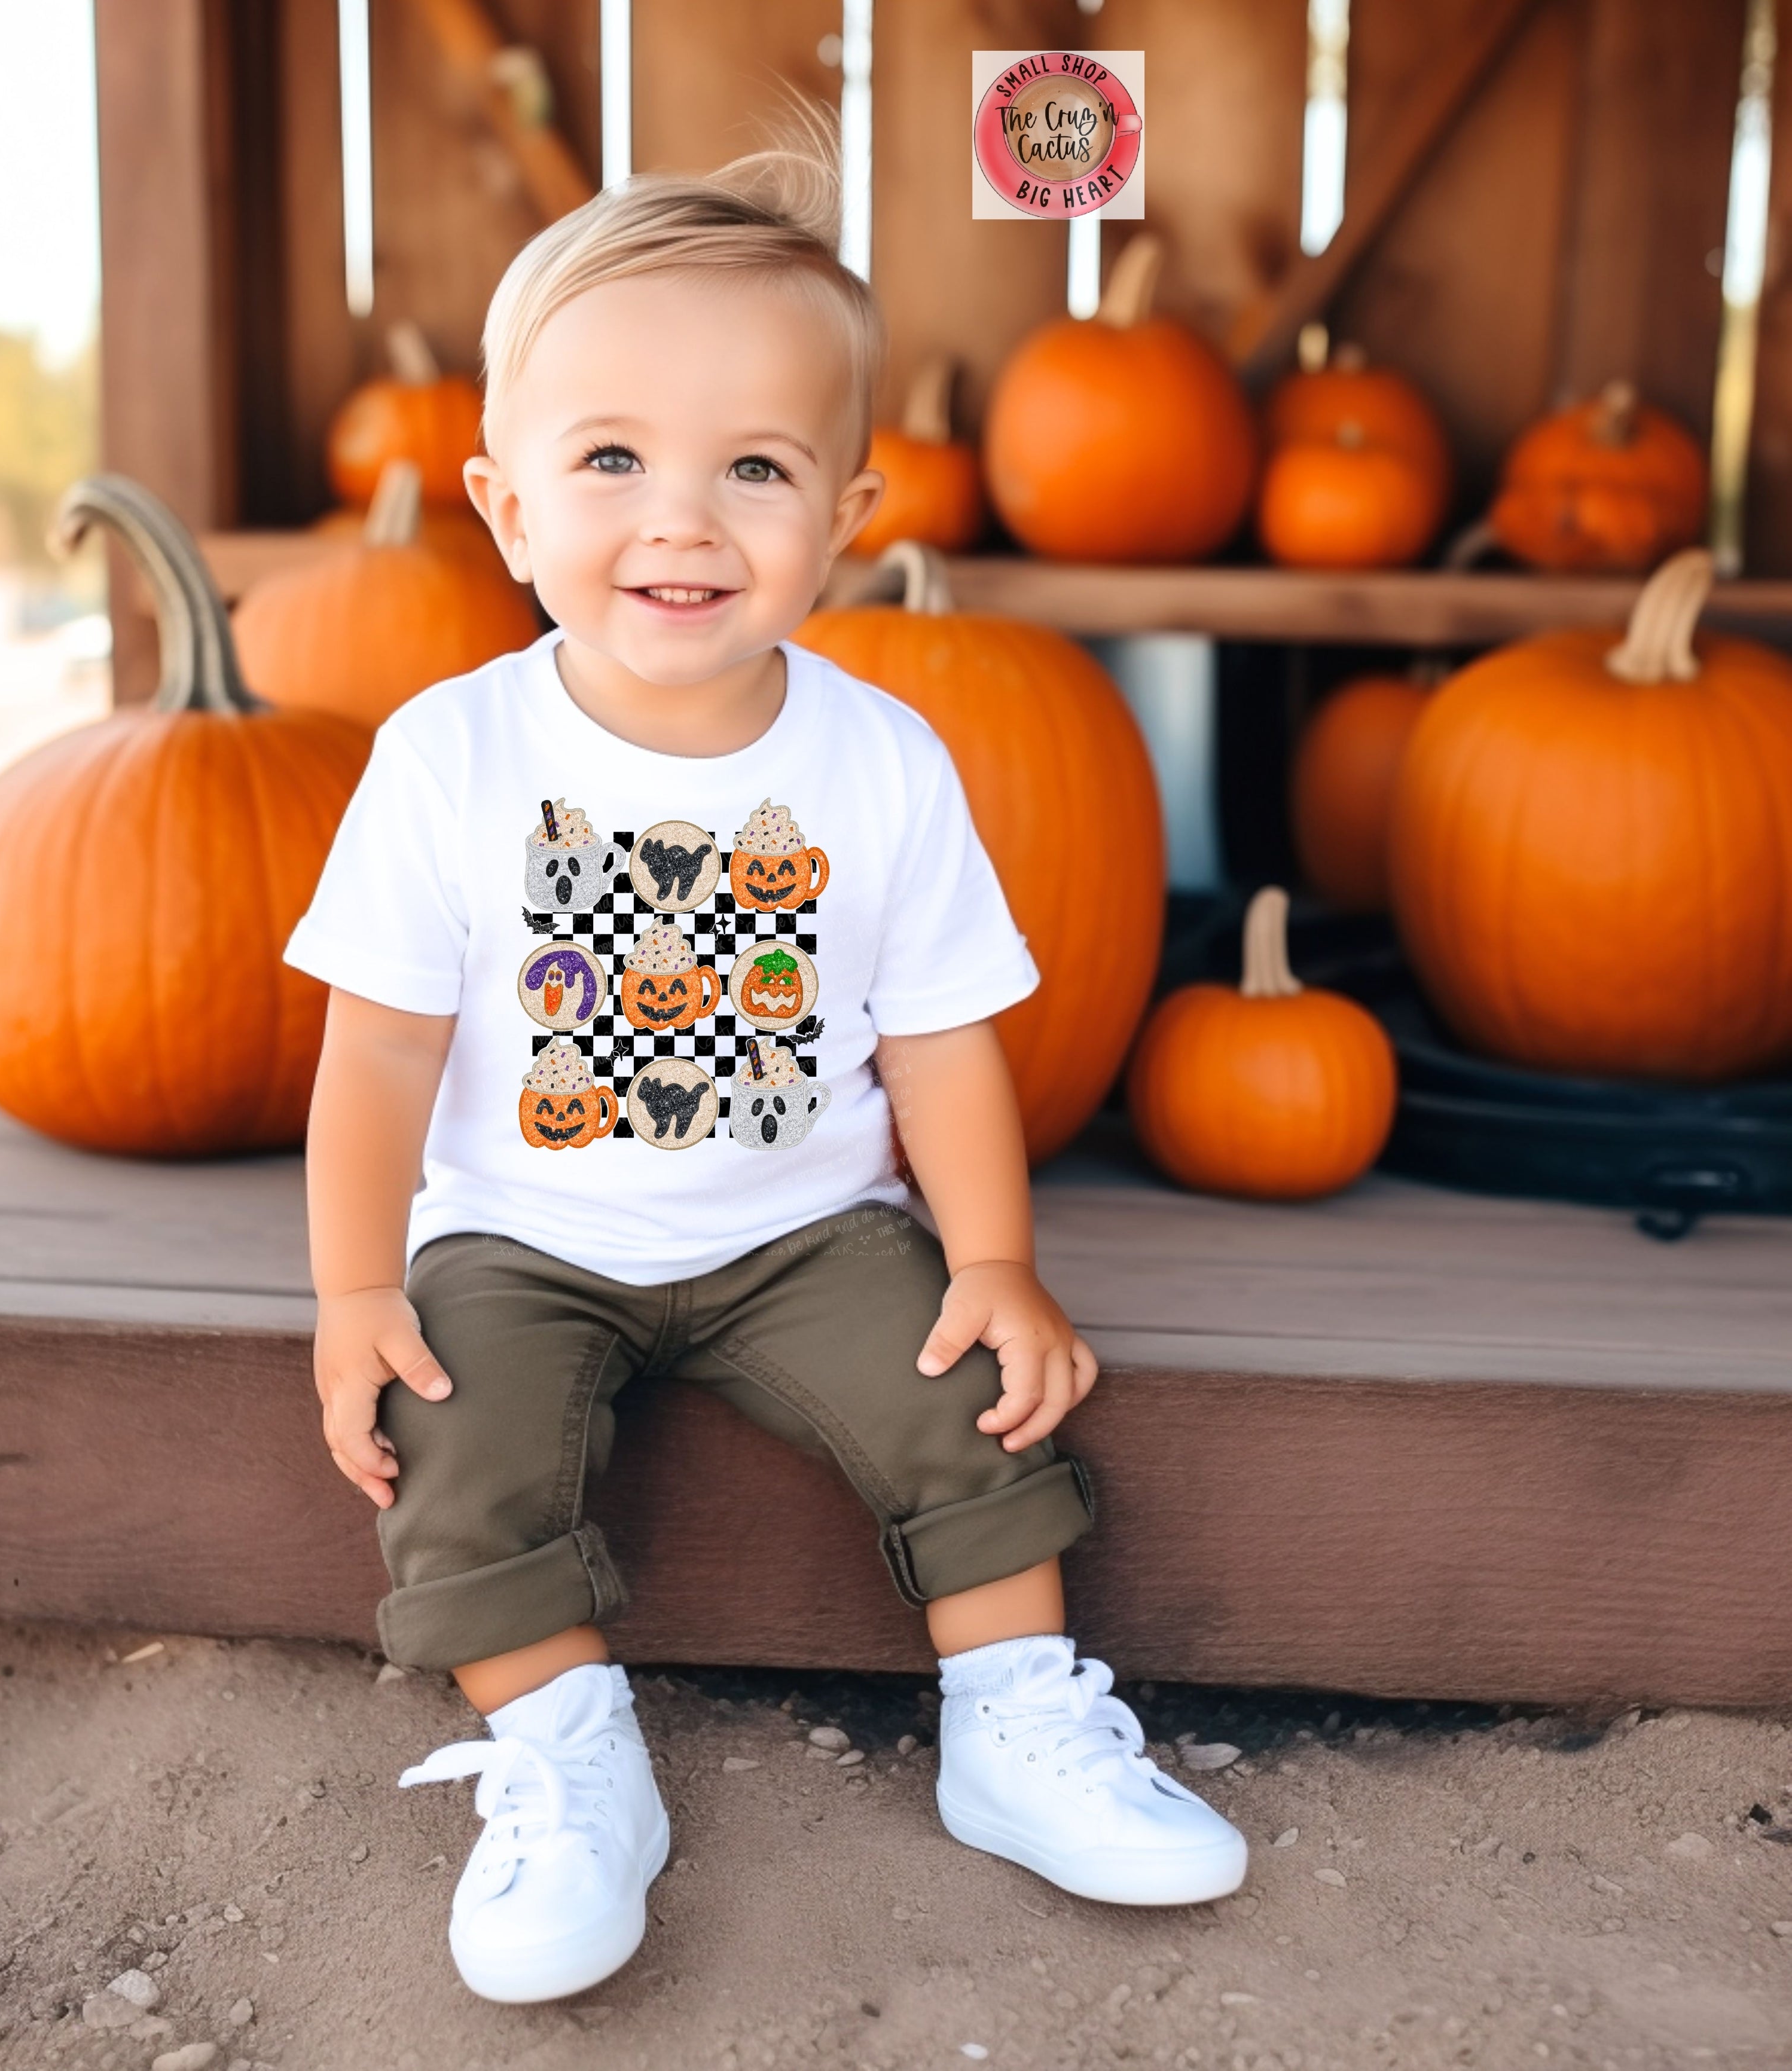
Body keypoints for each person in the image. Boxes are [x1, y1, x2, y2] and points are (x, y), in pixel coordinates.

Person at [284, 124, 1247, 2007]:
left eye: (756, 468)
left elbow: (945, 1039)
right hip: (521, 1235)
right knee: (452, 1434)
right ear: (504, 506)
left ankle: (1016, 1723)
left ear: (852, 511)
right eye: (614, 461)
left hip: (810, 1223)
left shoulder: (882, 759)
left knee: (968, 1401)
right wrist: (347, 1289)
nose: (683, 519)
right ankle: (572, 1766)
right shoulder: (448, 755)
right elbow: (381, 1052)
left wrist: (988, 1257)